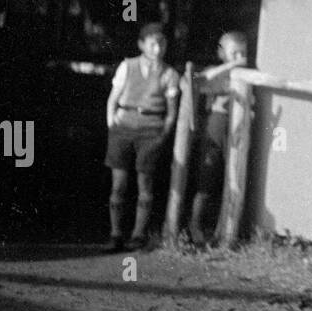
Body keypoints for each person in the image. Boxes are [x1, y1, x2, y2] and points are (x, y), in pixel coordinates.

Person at [104, 22, 180, 252]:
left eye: (162, 43)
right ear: (142, 44)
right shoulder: (127, 66)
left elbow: (172, 110)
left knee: (144, 183)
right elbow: (113, 98)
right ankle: (116, 233)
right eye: (153, 44)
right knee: (119, 183)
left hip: (151, 131)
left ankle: (138, 234)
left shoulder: (170, 74)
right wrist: (112, 124)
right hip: (123, 126)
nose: (158, 49)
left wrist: (163, 133)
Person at [187, 30, 247, 246]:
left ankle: (226, 228)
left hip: (240, 128)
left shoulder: (248, 74)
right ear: (222, 54)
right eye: (234, 53)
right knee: (207, 177)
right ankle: (195, 225)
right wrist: (229, 67)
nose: (239, 58)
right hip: (217, 124)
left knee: (233, 178)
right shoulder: (217, 71)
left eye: (243, 53)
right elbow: (197, 80)